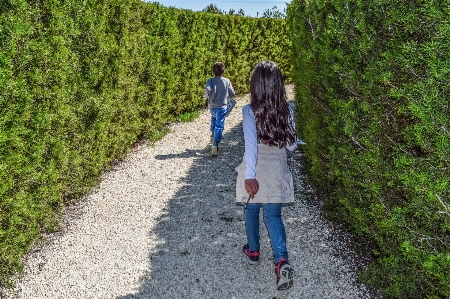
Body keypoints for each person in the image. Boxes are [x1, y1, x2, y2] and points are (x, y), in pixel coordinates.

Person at [235, 60, 297, 290]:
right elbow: (291, 146)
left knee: (251, 208)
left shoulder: (249, 111)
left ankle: (253, 251)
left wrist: (250, 176)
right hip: (277, 170)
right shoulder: (288, 110)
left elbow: (250, 145)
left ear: (256, 85)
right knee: (273, 217)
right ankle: (281, 260)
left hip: (255, 170)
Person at [203, 62, 235, 157]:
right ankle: (215, 144)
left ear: (213, 71)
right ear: (223, 71)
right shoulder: (226, 81)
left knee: (213, 118)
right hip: (222, 106)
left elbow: (207, 90)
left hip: (212, 106)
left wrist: (206, 96)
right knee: (219, 125)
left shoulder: (210, 80)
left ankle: (213, 134)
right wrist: (225, 96)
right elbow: (232, 93)